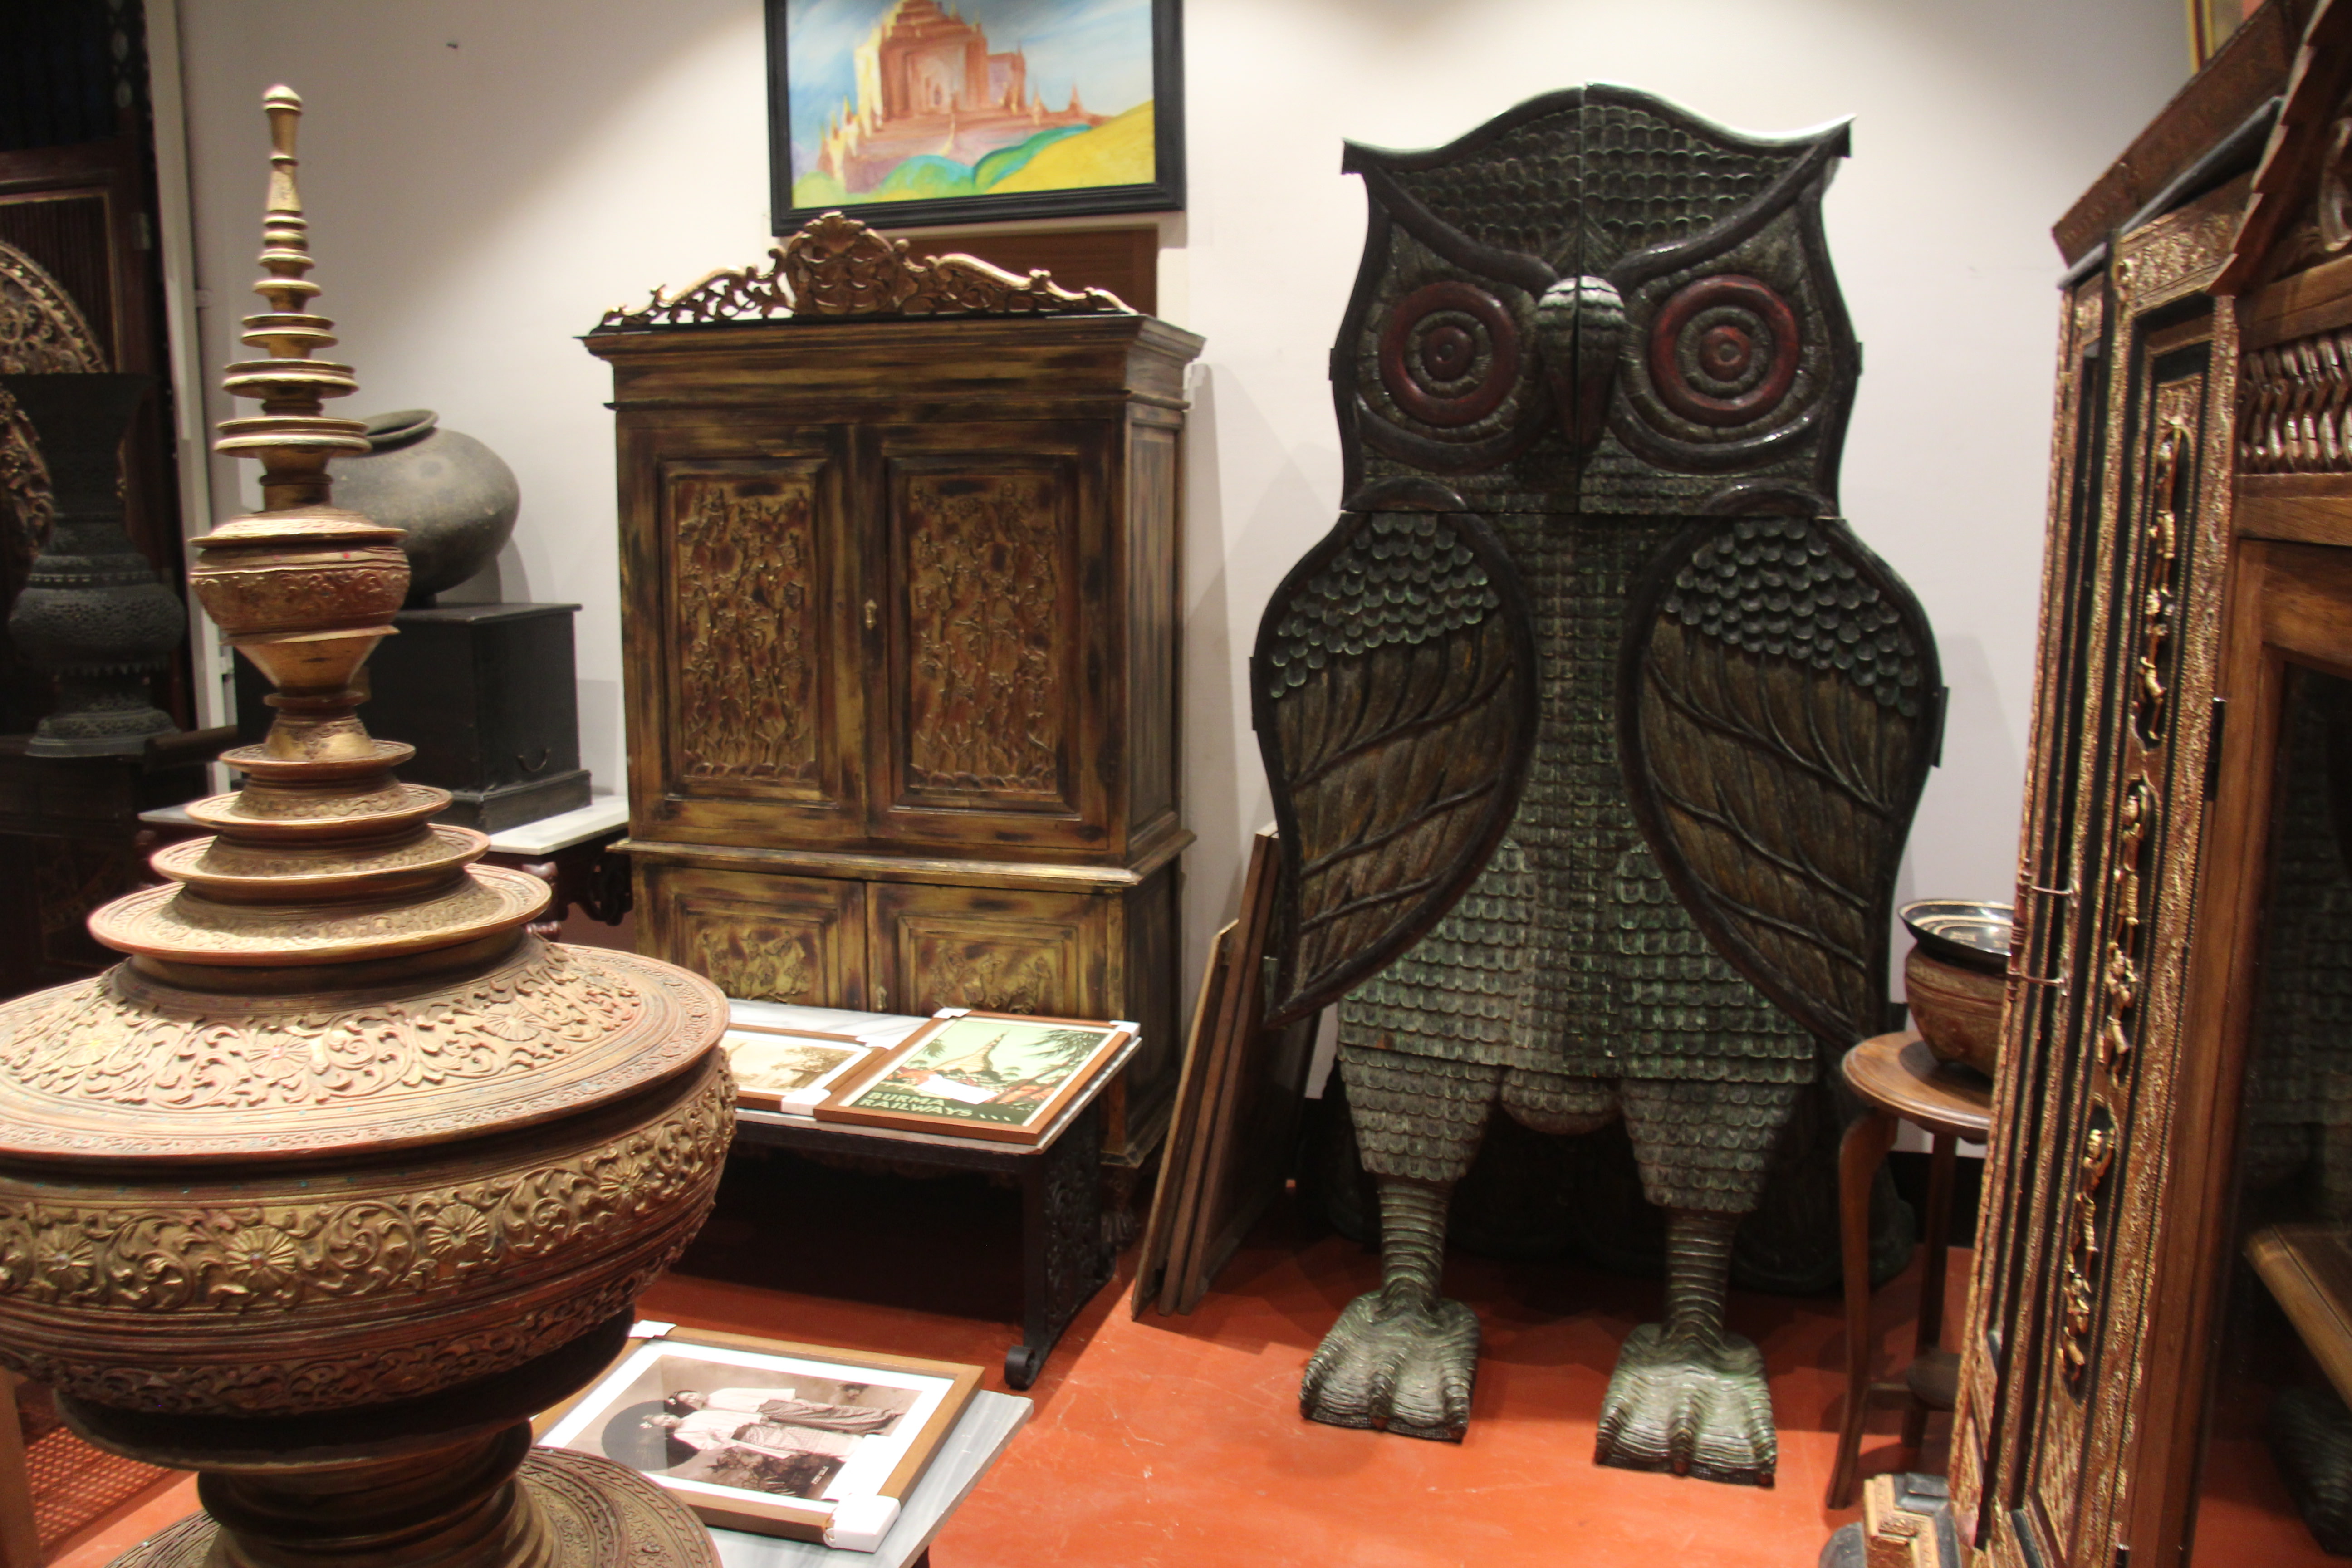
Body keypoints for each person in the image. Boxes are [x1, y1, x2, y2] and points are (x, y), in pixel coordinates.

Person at [663, 1387, 899, 1436]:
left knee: (824, 1412)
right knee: (820, 1424)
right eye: (689, 1401)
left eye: (692, 1394)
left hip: (771, 1405)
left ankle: (882, 1415)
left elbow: (758, 1393)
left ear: (695, 1392)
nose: (694, 1399)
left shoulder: (721, 1393)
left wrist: (797, 1400)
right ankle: (871, 1425)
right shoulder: (707, 1412)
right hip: (768, 1418)